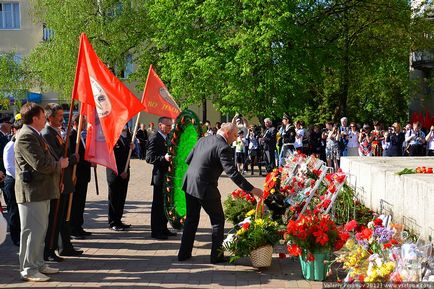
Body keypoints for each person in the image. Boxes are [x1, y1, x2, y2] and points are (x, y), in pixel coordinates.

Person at [178, 122, 263, 264]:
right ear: (227, 133)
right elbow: (232, 173)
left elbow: (188, 160)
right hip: (205, 186)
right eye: (235, 135)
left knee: (191, 219)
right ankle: (216, 256)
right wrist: (252, 189)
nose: (236, 139)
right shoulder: (223, 147)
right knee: (218, 220)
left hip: (190, 182)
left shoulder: (203, 139)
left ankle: (183, 254)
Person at [15, 102, 69, 282]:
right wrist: (59, 165)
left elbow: (46, 158)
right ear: (35, 118)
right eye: (43, 116)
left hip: (42, 191)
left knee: (40, 230)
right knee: (32, 231)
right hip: (32, 192)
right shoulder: (26, 136)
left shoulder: (35, 134)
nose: (46, 118)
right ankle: (29, 269)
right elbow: (40, 164)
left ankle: (38, 263)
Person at [41, 104, 83, 260]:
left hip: (64, 180)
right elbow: (57, 158)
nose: (62, 118)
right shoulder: (47, 134)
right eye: (59, 115)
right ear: (49, 118)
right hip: (57, 182)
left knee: (63, 217)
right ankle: (49, 250)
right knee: (54, 218)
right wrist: (73, 159)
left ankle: (64, 246)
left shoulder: (55, 132)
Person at [145, 117, 176, 239]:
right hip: (159, 176)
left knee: (166, 205)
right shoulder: (154, 138)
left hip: (168, 176)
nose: (169, 128)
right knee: (158, 205)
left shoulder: (168, 138)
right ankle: (156, 231)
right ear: (160, 125)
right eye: (167, 125)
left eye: (170, 125)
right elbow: (149, 158)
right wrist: (164, 158)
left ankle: (163, 228)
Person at [107, 126, 135, 231]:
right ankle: (113, 222)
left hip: (125, 171)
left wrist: (132, 148)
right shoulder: (112, 136)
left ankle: (118, 220)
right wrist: (119, 172)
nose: (125, 127)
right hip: (114, 173)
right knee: (114, 198)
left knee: (121, 198)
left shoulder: (128, 136)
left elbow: (129, 155)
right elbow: (111, 157)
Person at [69, 114, 92, 239]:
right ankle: (73, 228)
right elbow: (74, 157)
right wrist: (87, 162)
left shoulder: (81, 137)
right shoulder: (73, 136)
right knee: (76, 203)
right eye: (83, 122)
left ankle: (79, 226)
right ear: (76, 123)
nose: (85, 125)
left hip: (84, 175)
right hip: (76, 175)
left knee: (81, 202)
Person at [3, 115, 22, 246]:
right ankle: (15, 238)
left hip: (19, 181)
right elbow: (9, 166)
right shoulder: (11, 145)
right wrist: (20, 178)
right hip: (12, 181)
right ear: (15, 130)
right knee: (14, 212)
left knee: (19, 212)